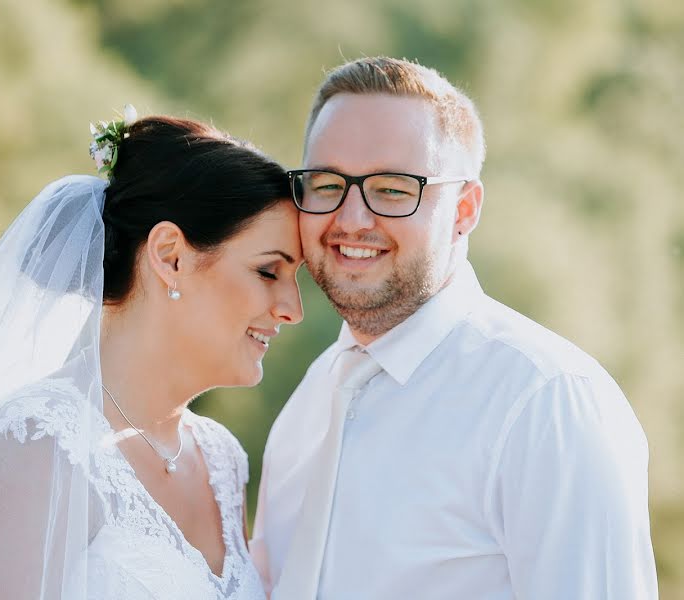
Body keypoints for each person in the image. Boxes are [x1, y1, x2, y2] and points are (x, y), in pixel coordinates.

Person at [0, 111, 303, 599]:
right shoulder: (39, 449)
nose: (294, 309)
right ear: (170, 256)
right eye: (269, 272)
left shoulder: (221, 460)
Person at [251, 57, 658, 599]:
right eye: (327, 184)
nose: (350, 220)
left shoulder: (545, 403)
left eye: (393, 189)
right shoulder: (308, 402)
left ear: (464, 208)